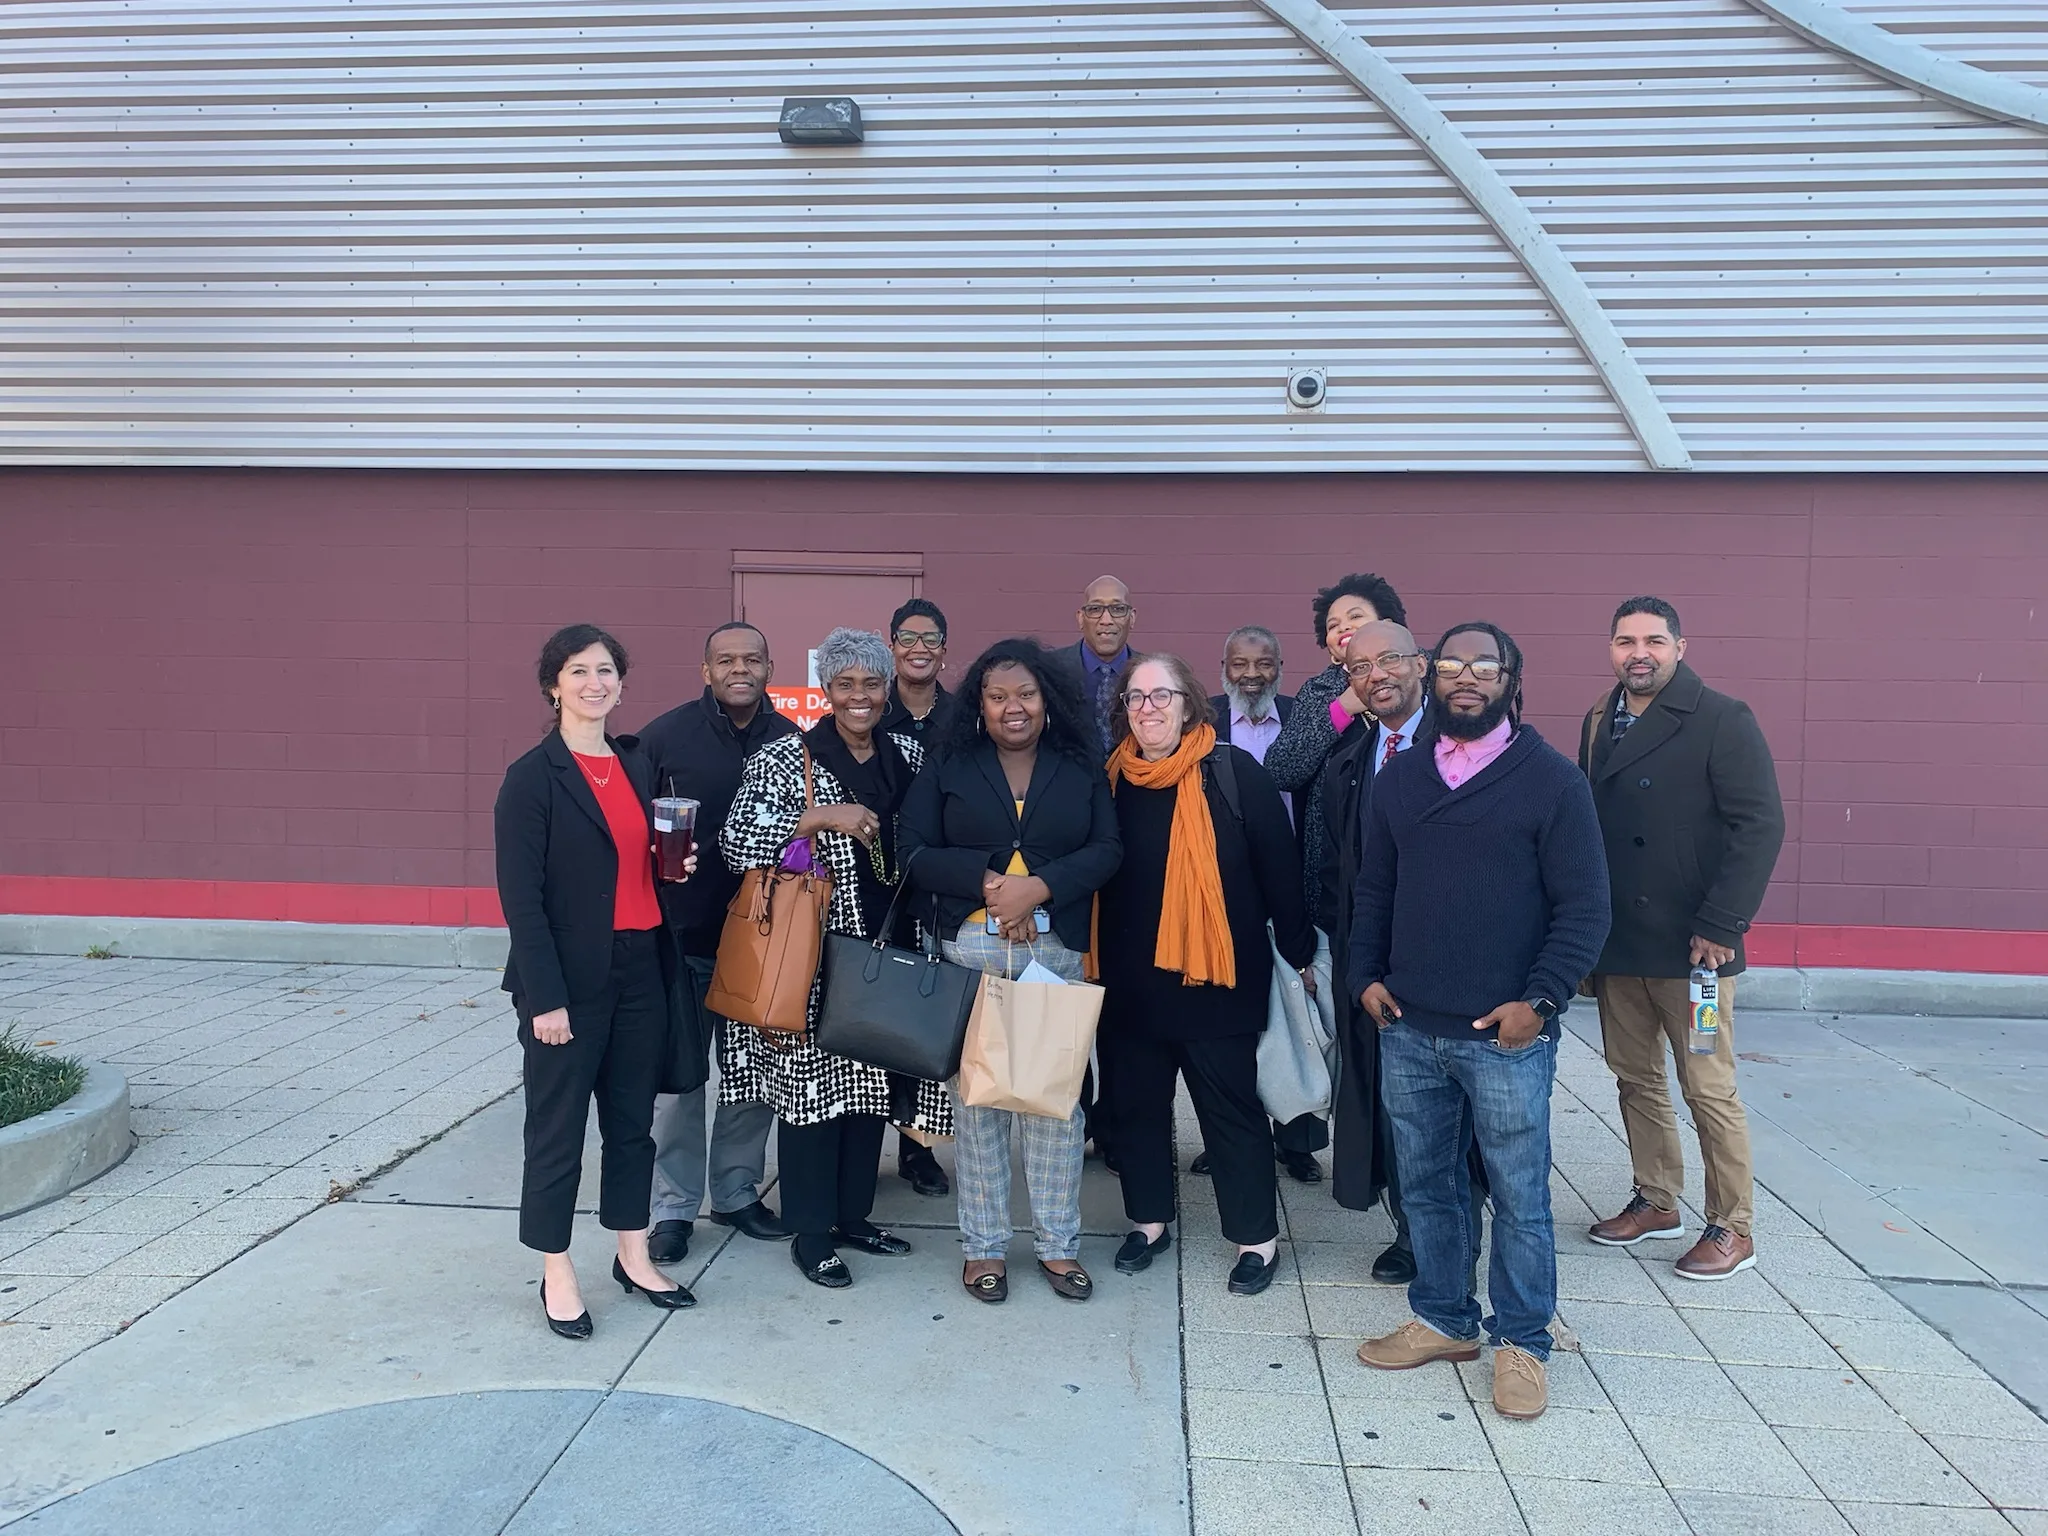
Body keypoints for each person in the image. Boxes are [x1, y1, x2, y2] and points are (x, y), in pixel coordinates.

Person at [1350, 622, 1610, 1421]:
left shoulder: (1554, 783)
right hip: (1411, 1028)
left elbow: (1584, 909)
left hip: (1506, 1038)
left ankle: (1524, 1342)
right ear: (1432, 675)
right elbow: (1373, 892)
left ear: (1512, 678)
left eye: (1485, 666)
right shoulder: (1400, 781)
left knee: (1519, 1194)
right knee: (1427, 1187)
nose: (1468, 677)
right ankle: (1444, 1318)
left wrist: (1541, 1003)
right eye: (1454, 664)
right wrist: (1362, 975)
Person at [719, 627, 951, 1289]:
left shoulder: (905, 752)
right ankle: (811, 1234)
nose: (859, 697)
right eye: (845, 684)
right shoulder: (786, 758)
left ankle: (853, 1218)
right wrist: (821, 818)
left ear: (887, 689)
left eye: (870, 684)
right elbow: (738, 841)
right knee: (811, 1102)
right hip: (815, 957)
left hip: (891, 949)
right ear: (826, 689)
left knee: (868, 1093)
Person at [902, 639, 1122, 1305]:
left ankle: (1058, 1247)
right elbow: (911, 849)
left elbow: (1108, 848)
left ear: (1048, 702)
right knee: (980, 1110)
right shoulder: (949, 765)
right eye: (998, 696)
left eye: (1025, 694)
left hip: (1053, 958)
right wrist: (994, 886)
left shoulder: (1079, 768)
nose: (1012, 707)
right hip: (970, 955)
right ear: (980, 705)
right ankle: (984, 1248)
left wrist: (1043, 887)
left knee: (1054, 1110)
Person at [494, 624, 698, 1338]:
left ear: (622, 683)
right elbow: (521, 898)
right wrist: (544, 997)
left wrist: (678, 866)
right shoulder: (531, 778)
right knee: (556, 1130)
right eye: (578, 671)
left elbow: (646, 861)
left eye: (605, 670)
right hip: (567, 981)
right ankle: (556, 1271)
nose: (594, 683)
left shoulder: (638, 764)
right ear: (554, 686)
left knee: (632, 1125)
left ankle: (633, 1254)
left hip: (642, 963)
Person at [1095, 653, 1317, 1297]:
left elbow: (1281, 869)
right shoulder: (1111, 779)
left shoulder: (1231, 772)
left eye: (1161, 695)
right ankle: (1149, 1223)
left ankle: (1255, 1238)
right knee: (1136, 1107)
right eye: (1135, 699)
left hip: (1216, 980)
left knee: (1230, 1111)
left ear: (1190, 703)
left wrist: (1301, 955)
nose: (1148, 709)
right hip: (1130, 983)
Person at [1580, 597, 1786, 1281]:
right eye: (1625, 640)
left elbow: (1759, 825)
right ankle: (1655, 1198)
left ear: (1680, 646)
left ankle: (1733, 1225)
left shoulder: (1723, 719)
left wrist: (1722, 924)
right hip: (1622, 949)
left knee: (1707, 1085)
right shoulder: (1595, 722)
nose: (1638, 652)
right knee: (1634, 1079)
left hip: (1698, 954)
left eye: (1654, 640)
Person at [635, 622, 796, 1265]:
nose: (739, 668)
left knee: (752, 1076)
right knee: (678, 1082)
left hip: (761, 941)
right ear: (706, 669)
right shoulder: (662, 737)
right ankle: (673, 1208)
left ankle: (736, 1192)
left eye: (751, 659)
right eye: (726, 659)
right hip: (682, 937)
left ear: (769, 667)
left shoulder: (791, 742)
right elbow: (627, 830)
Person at [1196, 624, 1324, 1185]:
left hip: (1296, 883)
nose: (1252, 674)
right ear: (1223, 666)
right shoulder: (1202, 719)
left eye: (1264, 663)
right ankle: (1226, 1134)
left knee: (1295, 1013)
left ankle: (1296, 1140)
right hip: (1225, 892)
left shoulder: (1304, 720)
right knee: (1231, 1022)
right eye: (1240, 663)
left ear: (1280, 666)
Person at [1264, 573, 1408, 923]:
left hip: (1416, 863)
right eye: (1333, 625)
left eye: (1356, 616)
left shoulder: (1424, 676)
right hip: (1339, 878)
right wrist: (1341, 710)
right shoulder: (1317, 693)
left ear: (1387, 624)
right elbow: (1280, 769)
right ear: (1329, 648)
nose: (1343, 627)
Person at [877, 596, 955, 1200]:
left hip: (938, 886)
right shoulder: (871, 712)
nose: (920, 647)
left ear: (944, 649)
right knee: (872, 1013)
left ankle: (917, 1149)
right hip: (875, 885)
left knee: (923, 1025)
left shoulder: (963, 719)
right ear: (892, 645)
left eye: (931, 638)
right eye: (908, 637)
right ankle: (857, 1138)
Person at [1051, 575, 1136, 757]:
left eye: (1118, 609)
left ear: (1132, 618)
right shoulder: (1050, 669)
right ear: (1081, 618)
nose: (1106, 620)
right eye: (1095, 609)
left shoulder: (1153, 673)